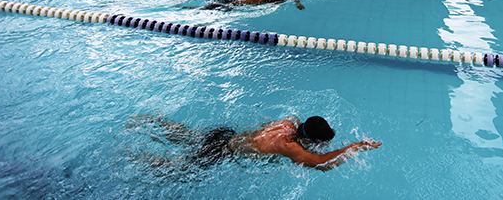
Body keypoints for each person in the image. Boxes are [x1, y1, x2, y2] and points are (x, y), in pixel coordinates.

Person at [129, 114, 381, 171]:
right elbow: (322, 163)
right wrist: (356, 147)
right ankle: (146, 161)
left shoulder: (288, 121)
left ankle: (152, 122)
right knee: (181, 169)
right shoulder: (291, 148)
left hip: (226, 135)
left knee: (189, 136)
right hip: (223, 150)